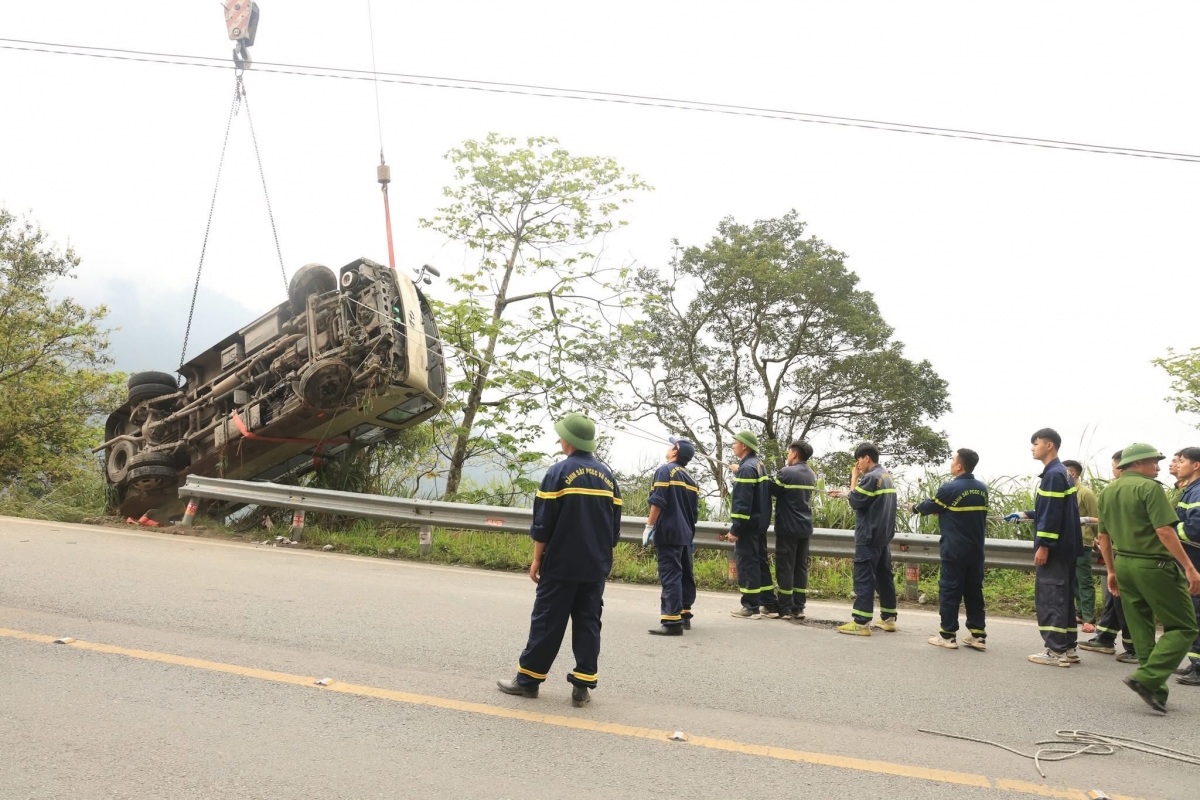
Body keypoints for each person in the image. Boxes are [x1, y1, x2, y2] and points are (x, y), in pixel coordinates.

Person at [497, 413, 622, 708]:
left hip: (562, 564)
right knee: (588, 623)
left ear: (568, 441)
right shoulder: (609, 478)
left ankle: (528, 681)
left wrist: (537, 559)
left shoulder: (557, 473)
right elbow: (613, 530)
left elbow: (544, 524)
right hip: (595, 567)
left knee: (547, 621)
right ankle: (582, 686)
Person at [1096, 443, 1200, 712]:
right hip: (1154, 566)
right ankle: (1146, 678)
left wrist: (1111, 571)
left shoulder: (1108, 491)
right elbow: (1165, 531)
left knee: (1141, 628)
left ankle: (1155, 690)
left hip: (1124, 564)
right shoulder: (1149, 488)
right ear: (1137, 463)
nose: (1158, 467)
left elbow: (1104, 538)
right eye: (1154, 461)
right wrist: (1188, 567)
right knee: (1184, 627)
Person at [1005, 428, 1084, 667]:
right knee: (1064, 597)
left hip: (1056, 549)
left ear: (1049, 445)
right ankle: (1069, 647)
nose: (1032, 447)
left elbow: (1051, 516)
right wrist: (1025, 513)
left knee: (1051, 597)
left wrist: (1044, 546)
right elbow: (1052, 509)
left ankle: (1055, 651)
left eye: (1036, 443)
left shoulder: (1053, 474)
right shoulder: (1061, 473)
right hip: (1067, 548)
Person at [910, 448, 988, 651]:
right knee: (973, 591)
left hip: (955, 549)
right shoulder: (982, 488)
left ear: (960, 466)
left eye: (953, 460)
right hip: (976, 550)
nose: (951, 463)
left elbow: (928, 507)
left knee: (950, 590)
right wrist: (943, 511)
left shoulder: (950, 488)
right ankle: (978, 636)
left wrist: (914, 508)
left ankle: (947, 635)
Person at [835, 442, 898, 636]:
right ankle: (888, 618)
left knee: (864, 578)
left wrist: (853, 479)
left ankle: (861, 622)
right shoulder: (886, 476)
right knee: (883, 577)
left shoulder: (870, 478)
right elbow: (865, 499)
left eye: (858, 461)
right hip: (883, 536)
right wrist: (844, 493)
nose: (858, 465)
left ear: (866, 458)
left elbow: (856, 501)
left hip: (869, 535)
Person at [1079, 451, 1137, 662]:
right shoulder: (1125, 489)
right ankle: (1105, 637)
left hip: (1131, 555)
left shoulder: (1125, 490)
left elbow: (1106, 529)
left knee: (1125, 601)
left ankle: (1135, 648)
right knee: (1114, 598)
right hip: (1122, 553)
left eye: (1114, 465)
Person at [646, 437, 700, 636]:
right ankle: (685, 614)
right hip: (686, 533)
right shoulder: (691, 479)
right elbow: (694, 513)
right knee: (685, 574)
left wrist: (649, 526)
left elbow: (658, 501)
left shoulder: (665, 470)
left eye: (671, 446)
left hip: (669, 532)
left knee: (671, 574)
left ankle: (671, 621)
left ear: (675, 452)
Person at [726, 430, 778, 618]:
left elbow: (742, 502)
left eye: (736, 442)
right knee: (760, 562)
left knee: (747, 563)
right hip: (759, 524)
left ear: (745, 446)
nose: (733, 445)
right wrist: (738, 471)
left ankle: (750, 606)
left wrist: (735, 528)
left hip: (747, 526)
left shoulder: (747, 469)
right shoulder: (757, 465)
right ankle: (769, 603)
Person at [770, 440, 818, 621]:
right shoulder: (811, 475)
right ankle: (798, 607)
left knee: (785, 567)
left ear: (794, 454)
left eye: (789, 452)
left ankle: (785, 608)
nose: (788, 456)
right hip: (805, 528)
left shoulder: (786, 473)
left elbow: (770, 487)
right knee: (800, 567)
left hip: (787, 528)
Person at [1171, 446, 1200, 686]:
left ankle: (1199, 668)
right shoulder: (1190, 490)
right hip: (1191, 559)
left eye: (1181, 461)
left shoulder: (1199, 491)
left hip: (1197, 561)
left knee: (1197, 613)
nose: (1177, 465)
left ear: (1196, 465)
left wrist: (1169, 530)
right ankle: (1195, 662)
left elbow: (1194, 528)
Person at [1062, 460, 1100, 633]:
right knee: (1073, 581)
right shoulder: (1064, 492)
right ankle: (1079, 613)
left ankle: (1088, 619)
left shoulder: (1085, 493)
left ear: (1073, 474)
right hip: (1067, 543)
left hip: (1083, 543)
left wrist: (1099, 538)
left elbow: (1096, 518)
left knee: (1084, 581)